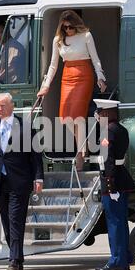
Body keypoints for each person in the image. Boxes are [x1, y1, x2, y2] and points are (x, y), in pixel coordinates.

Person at [0, 93, 44, 270]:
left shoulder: (25, 126)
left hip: (19, 180)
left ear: (11, 106)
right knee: (6, 220)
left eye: (2, 105)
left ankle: (13, 260)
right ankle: (17, 257)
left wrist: (38, 177)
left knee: (15, 219)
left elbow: (35, 155)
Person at [37, 10, 107, 170]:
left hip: (84, 75)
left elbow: (95, 60)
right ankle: (84, 145)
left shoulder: (86, 36)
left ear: (76, 25)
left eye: (70, 27)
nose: (68, 30)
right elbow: (53, 65)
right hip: (67, 76)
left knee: (77, 115)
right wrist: (46, 86)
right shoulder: (58, 40)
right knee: (65, 116)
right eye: (65, 28)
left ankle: (81, 153)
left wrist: (100, 77)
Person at [93, 99, 135, 270]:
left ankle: (117, 260)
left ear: (107, 113)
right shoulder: (121, 129)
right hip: (121, 178)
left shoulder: (107, 132)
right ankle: (125, 257)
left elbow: (107, 159)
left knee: (115, 223)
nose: (98, 116)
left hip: (113, 181)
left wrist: (110, 186)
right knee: (121, 221)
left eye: (100, 112)